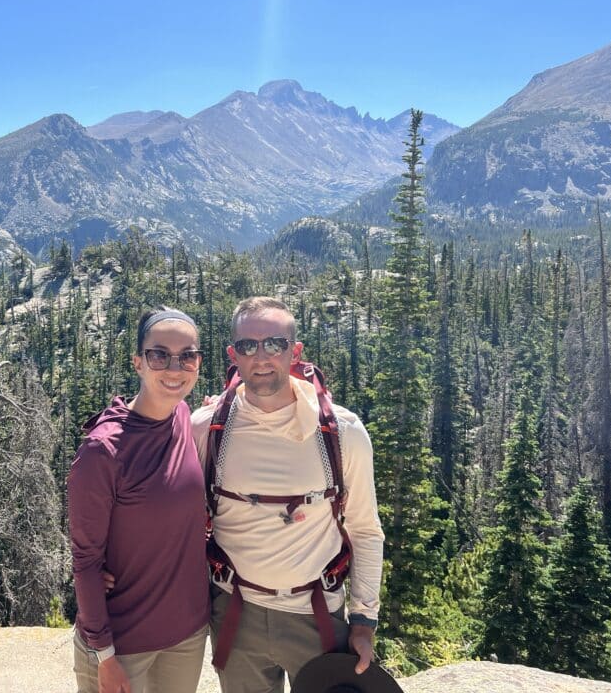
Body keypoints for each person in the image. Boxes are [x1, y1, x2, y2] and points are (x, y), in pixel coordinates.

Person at [192, 296, 384, 693]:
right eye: (248, 346)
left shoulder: (342, 432)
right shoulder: (207, 428)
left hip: (315, 615)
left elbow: (365, 529)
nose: (261, 357)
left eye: (274, 344)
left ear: (294, 351)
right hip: (234, 610)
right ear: (233, 355)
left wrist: (363, 620)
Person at [68, 307, 210, 693]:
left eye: (188, 355)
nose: (174, 368)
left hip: (187, 635)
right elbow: (86, 560)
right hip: (123, 645)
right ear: (138, 363)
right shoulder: (103, 451)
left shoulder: (182, 415)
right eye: (159, 354)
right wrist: (104, 655)